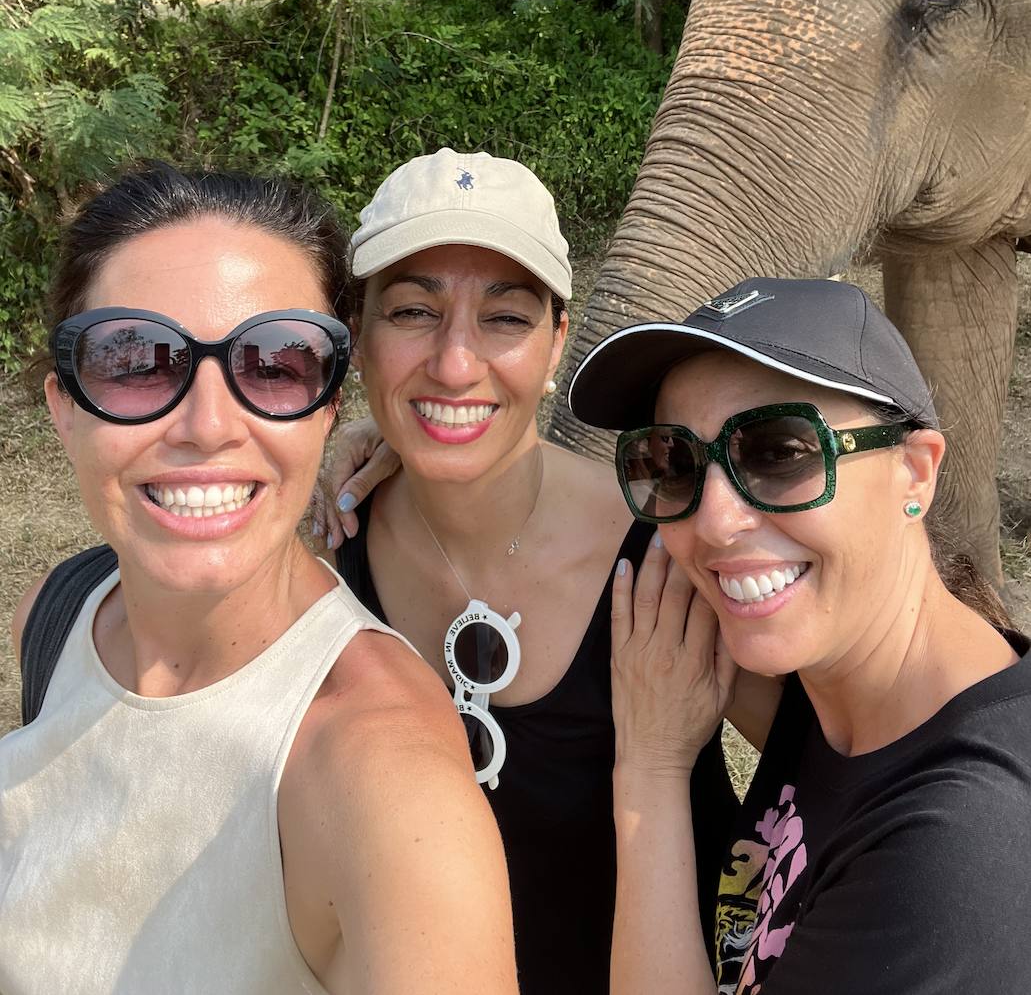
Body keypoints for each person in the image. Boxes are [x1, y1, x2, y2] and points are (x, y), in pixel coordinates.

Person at [2, 162, 517, 995]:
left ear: (325, 404)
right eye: (136, 362)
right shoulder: (59, 618)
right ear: (64, 404)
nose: (207, 426)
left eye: (274, 364)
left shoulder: (383, 780)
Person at [317, 147, 741, 995]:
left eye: (505, 319)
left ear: (555, 346)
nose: (454, 363)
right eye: (410, 313)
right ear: (357, 342)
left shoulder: (668, 553)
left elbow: (850, 756)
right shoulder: (332, 543)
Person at [566, 275, 1031, 994]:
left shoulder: (955, 861)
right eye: (672, 462)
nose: (713, 521)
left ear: (914, 472)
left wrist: (650, 773)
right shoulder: (848, 692)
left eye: (781, 452)